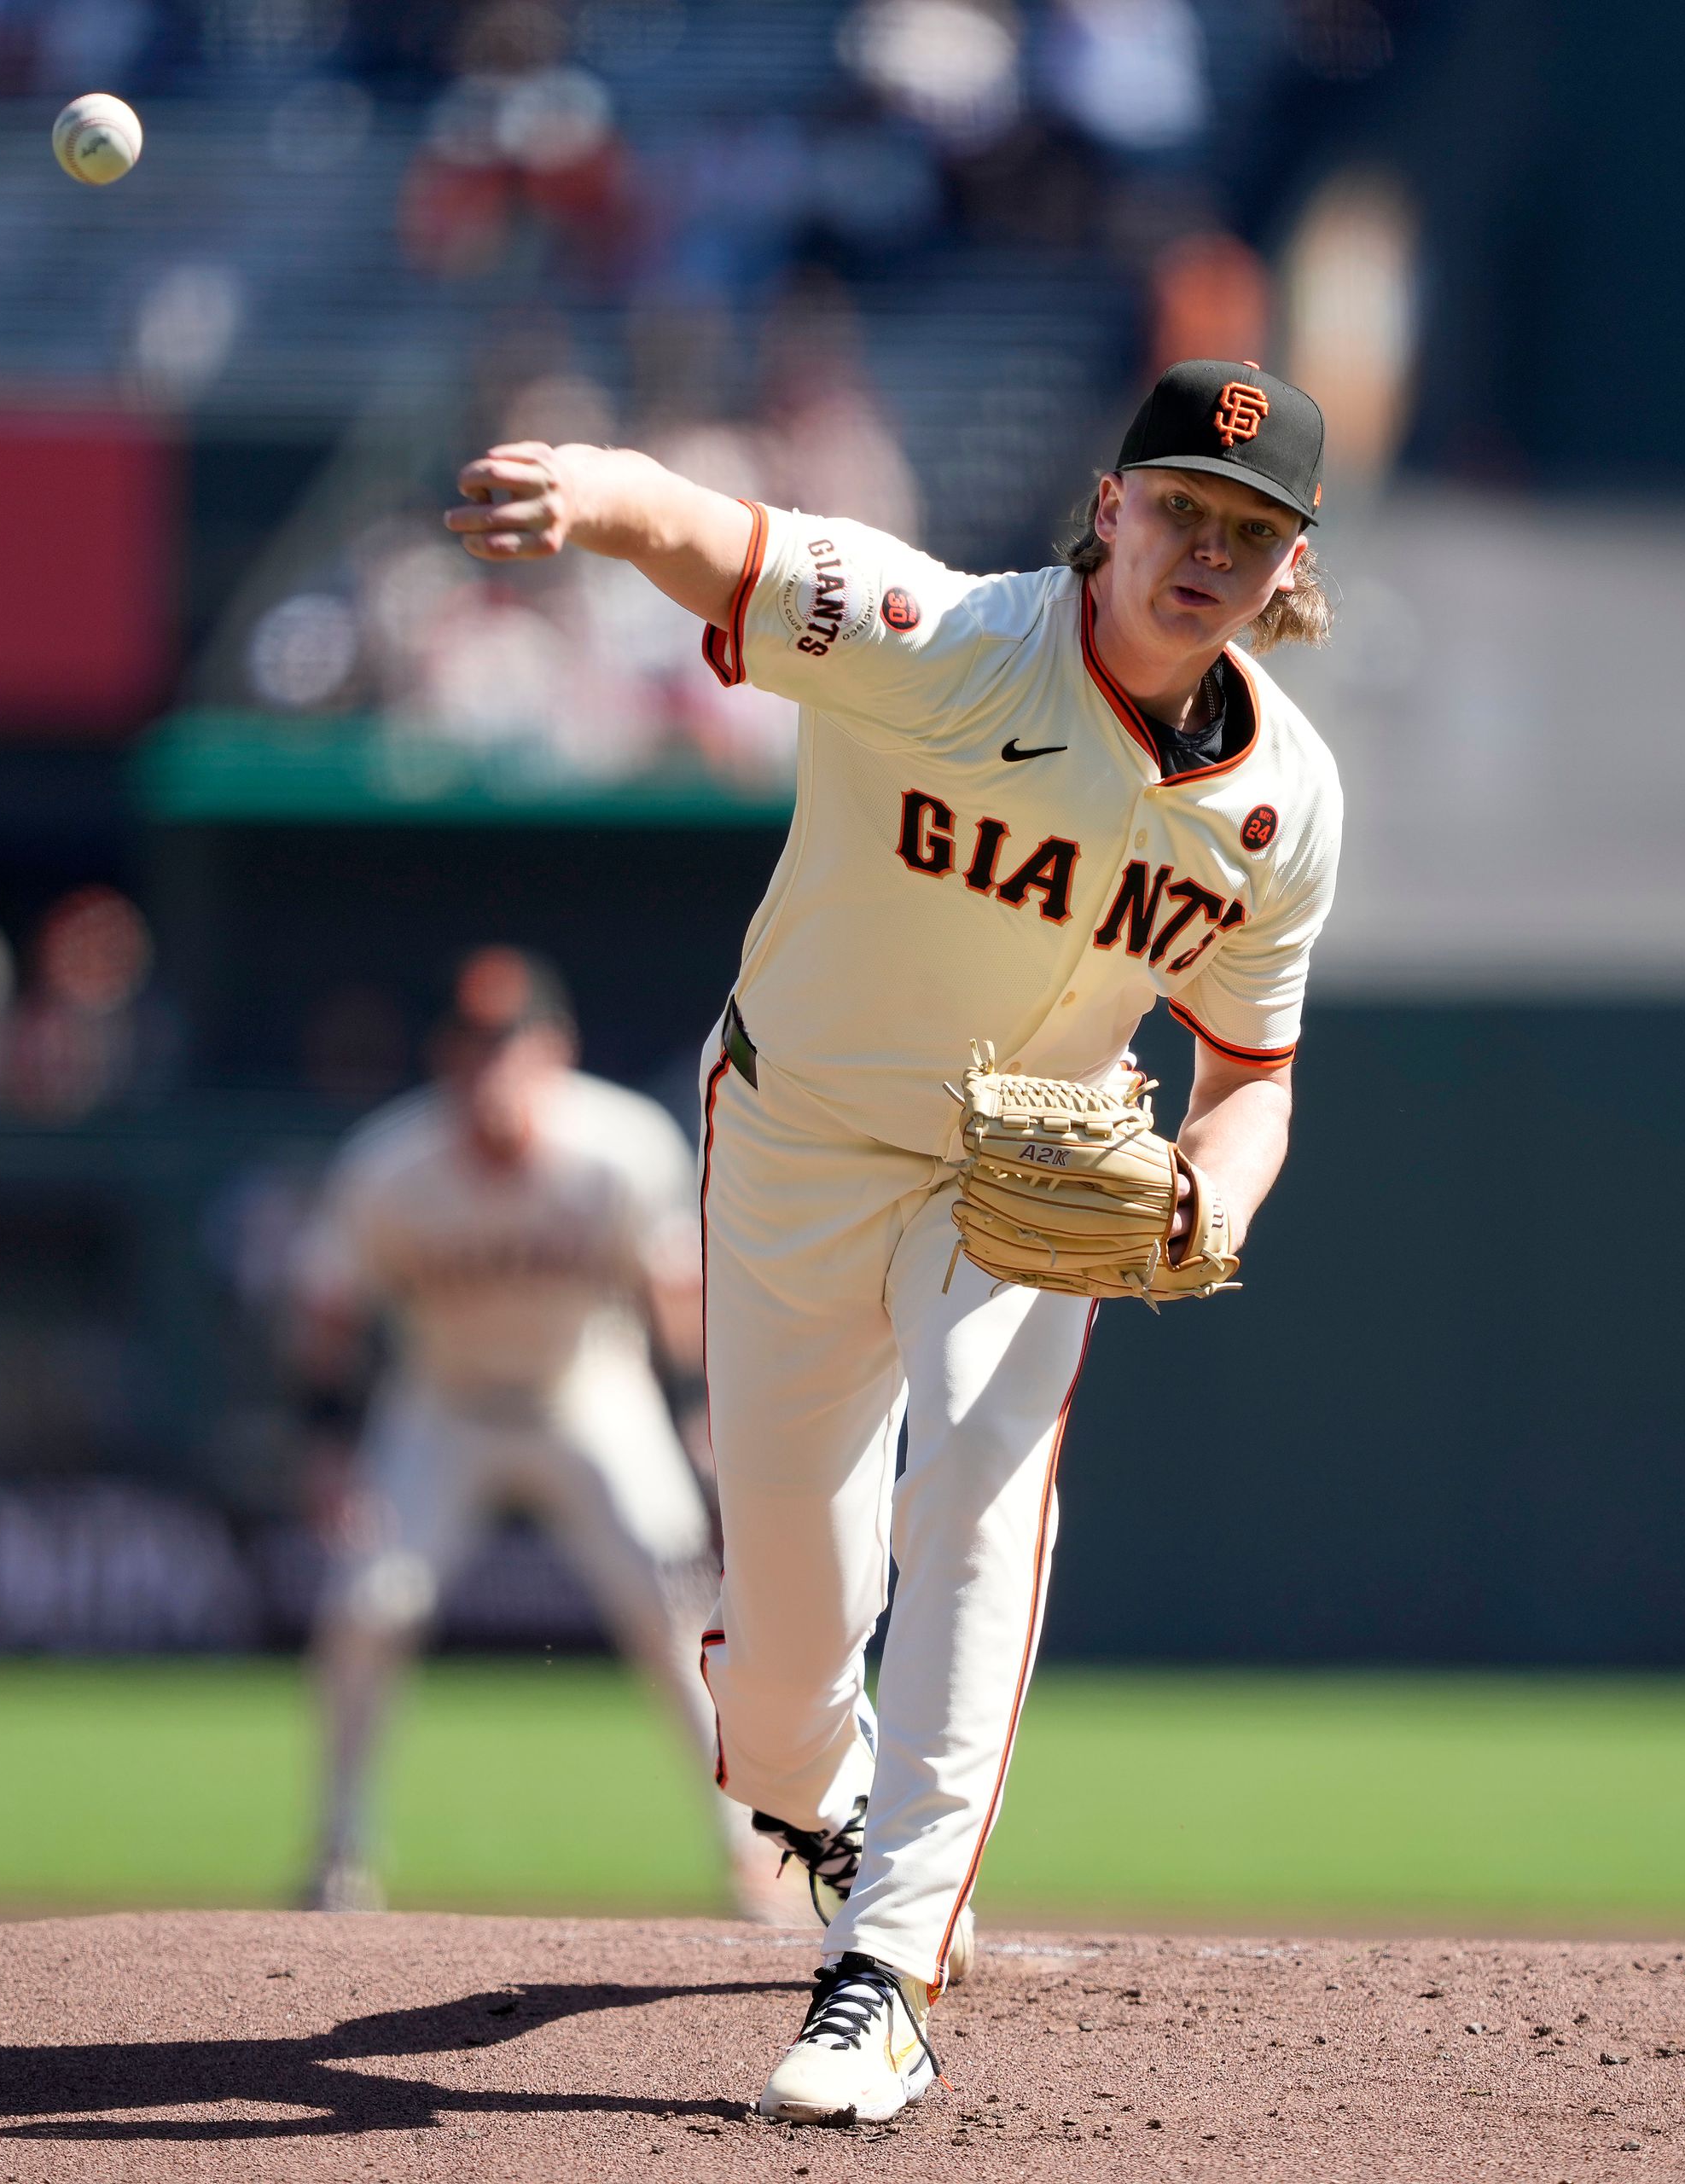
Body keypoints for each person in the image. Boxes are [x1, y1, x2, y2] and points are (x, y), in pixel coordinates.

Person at [440, 359, 1342, 2122]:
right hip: (793, 1135)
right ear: (1110, 507)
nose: (1207, 549)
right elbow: (720, 542)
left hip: (1013, 1185)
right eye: (1182, 505)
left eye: (1250, 531)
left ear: (1288, 567)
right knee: (783, 1655)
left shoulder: (1285, 806)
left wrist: (1211, 1194)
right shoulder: (943, 636)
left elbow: (1254, 1076)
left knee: (987, 1497)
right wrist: (592, 489)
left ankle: (891, 1958)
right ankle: (819, 1793)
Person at [290, 945, 786, 1923]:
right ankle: (340, 1854)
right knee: (364, 1606)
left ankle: (745, 1855)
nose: (493, 1068)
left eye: (511, 1045)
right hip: (441, 1405)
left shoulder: (621, 1146)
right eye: (474, 1047)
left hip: (588, 1396)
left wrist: (698, 1417)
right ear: (444, 1058)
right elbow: (326, 1312)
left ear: (553, 1050)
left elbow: (675, 1300)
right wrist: (326, 1443)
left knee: (673, 1605)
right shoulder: (391, 1165)